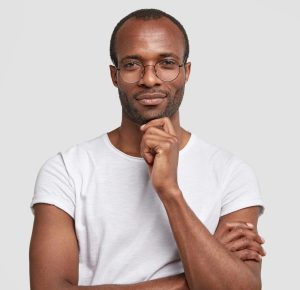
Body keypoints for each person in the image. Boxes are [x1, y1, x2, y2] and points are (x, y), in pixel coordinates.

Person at [29, 8, 266, 290]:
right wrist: (196, 276)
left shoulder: (231, 173)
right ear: (114, 75)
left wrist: (170, 192)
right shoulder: (66, 170)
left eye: (166, 63)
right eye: (132, 65)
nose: (150, 79)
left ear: (186, 72)